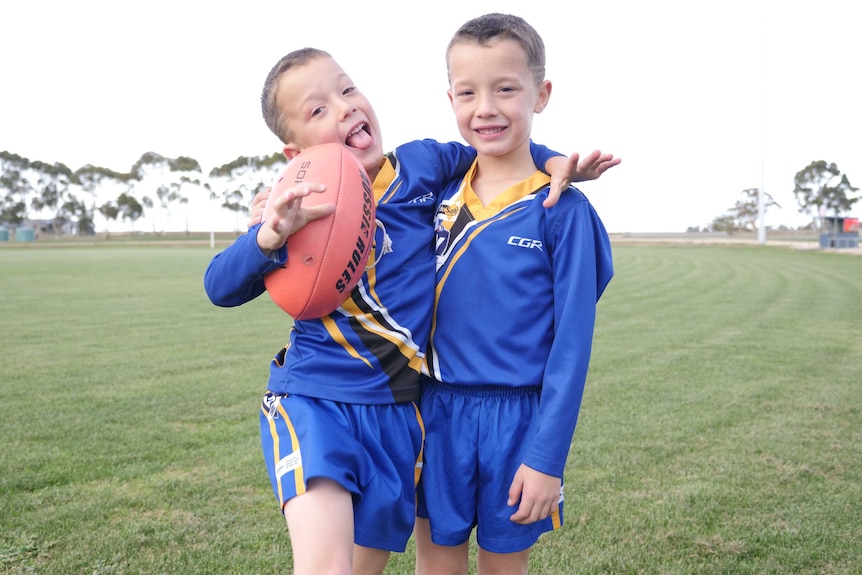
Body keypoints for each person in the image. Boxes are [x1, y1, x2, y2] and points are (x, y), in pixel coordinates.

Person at [204, 48, 618, 575]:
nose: (343, 107)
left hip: (402, 417)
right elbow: (220, 286)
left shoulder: (424, 166)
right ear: (295, 153)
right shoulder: (294, 209)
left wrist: (553, 161)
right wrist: (266, 235)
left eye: (348, 89)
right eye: (316, 110)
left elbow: (491, 143)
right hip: (316, 398)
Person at [414, 13, 615, 575]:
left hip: (517, 421)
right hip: (437, 412)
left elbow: (571, 348)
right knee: (436, 566)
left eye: (506, 89)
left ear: (541, 94)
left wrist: (546, 459)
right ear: (449, 97)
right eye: (467, 92)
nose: (486, 108)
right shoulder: (433, 196)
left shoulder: (563, 211)